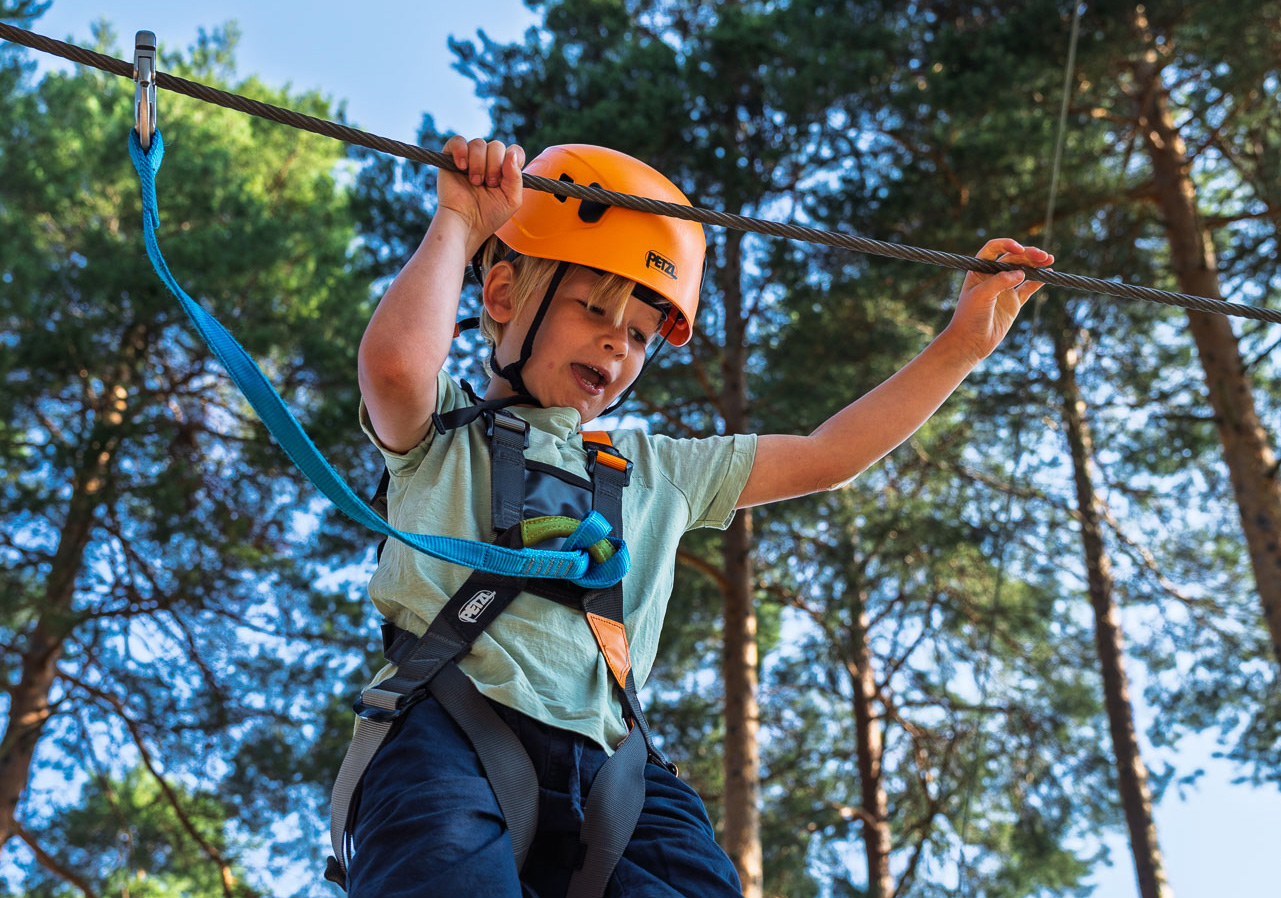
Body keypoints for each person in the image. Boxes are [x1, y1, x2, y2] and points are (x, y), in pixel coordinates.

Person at [343, 135, 1052, 897]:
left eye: (643, 336)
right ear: (505, 296)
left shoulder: (656, 472)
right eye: (594, 309)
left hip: (614, 770)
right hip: (447, 734)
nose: (618, 342)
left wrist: (959, 346)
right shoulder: (443, 431)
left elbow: (827, 453)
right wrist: (459, 219)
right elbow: (393, 367)